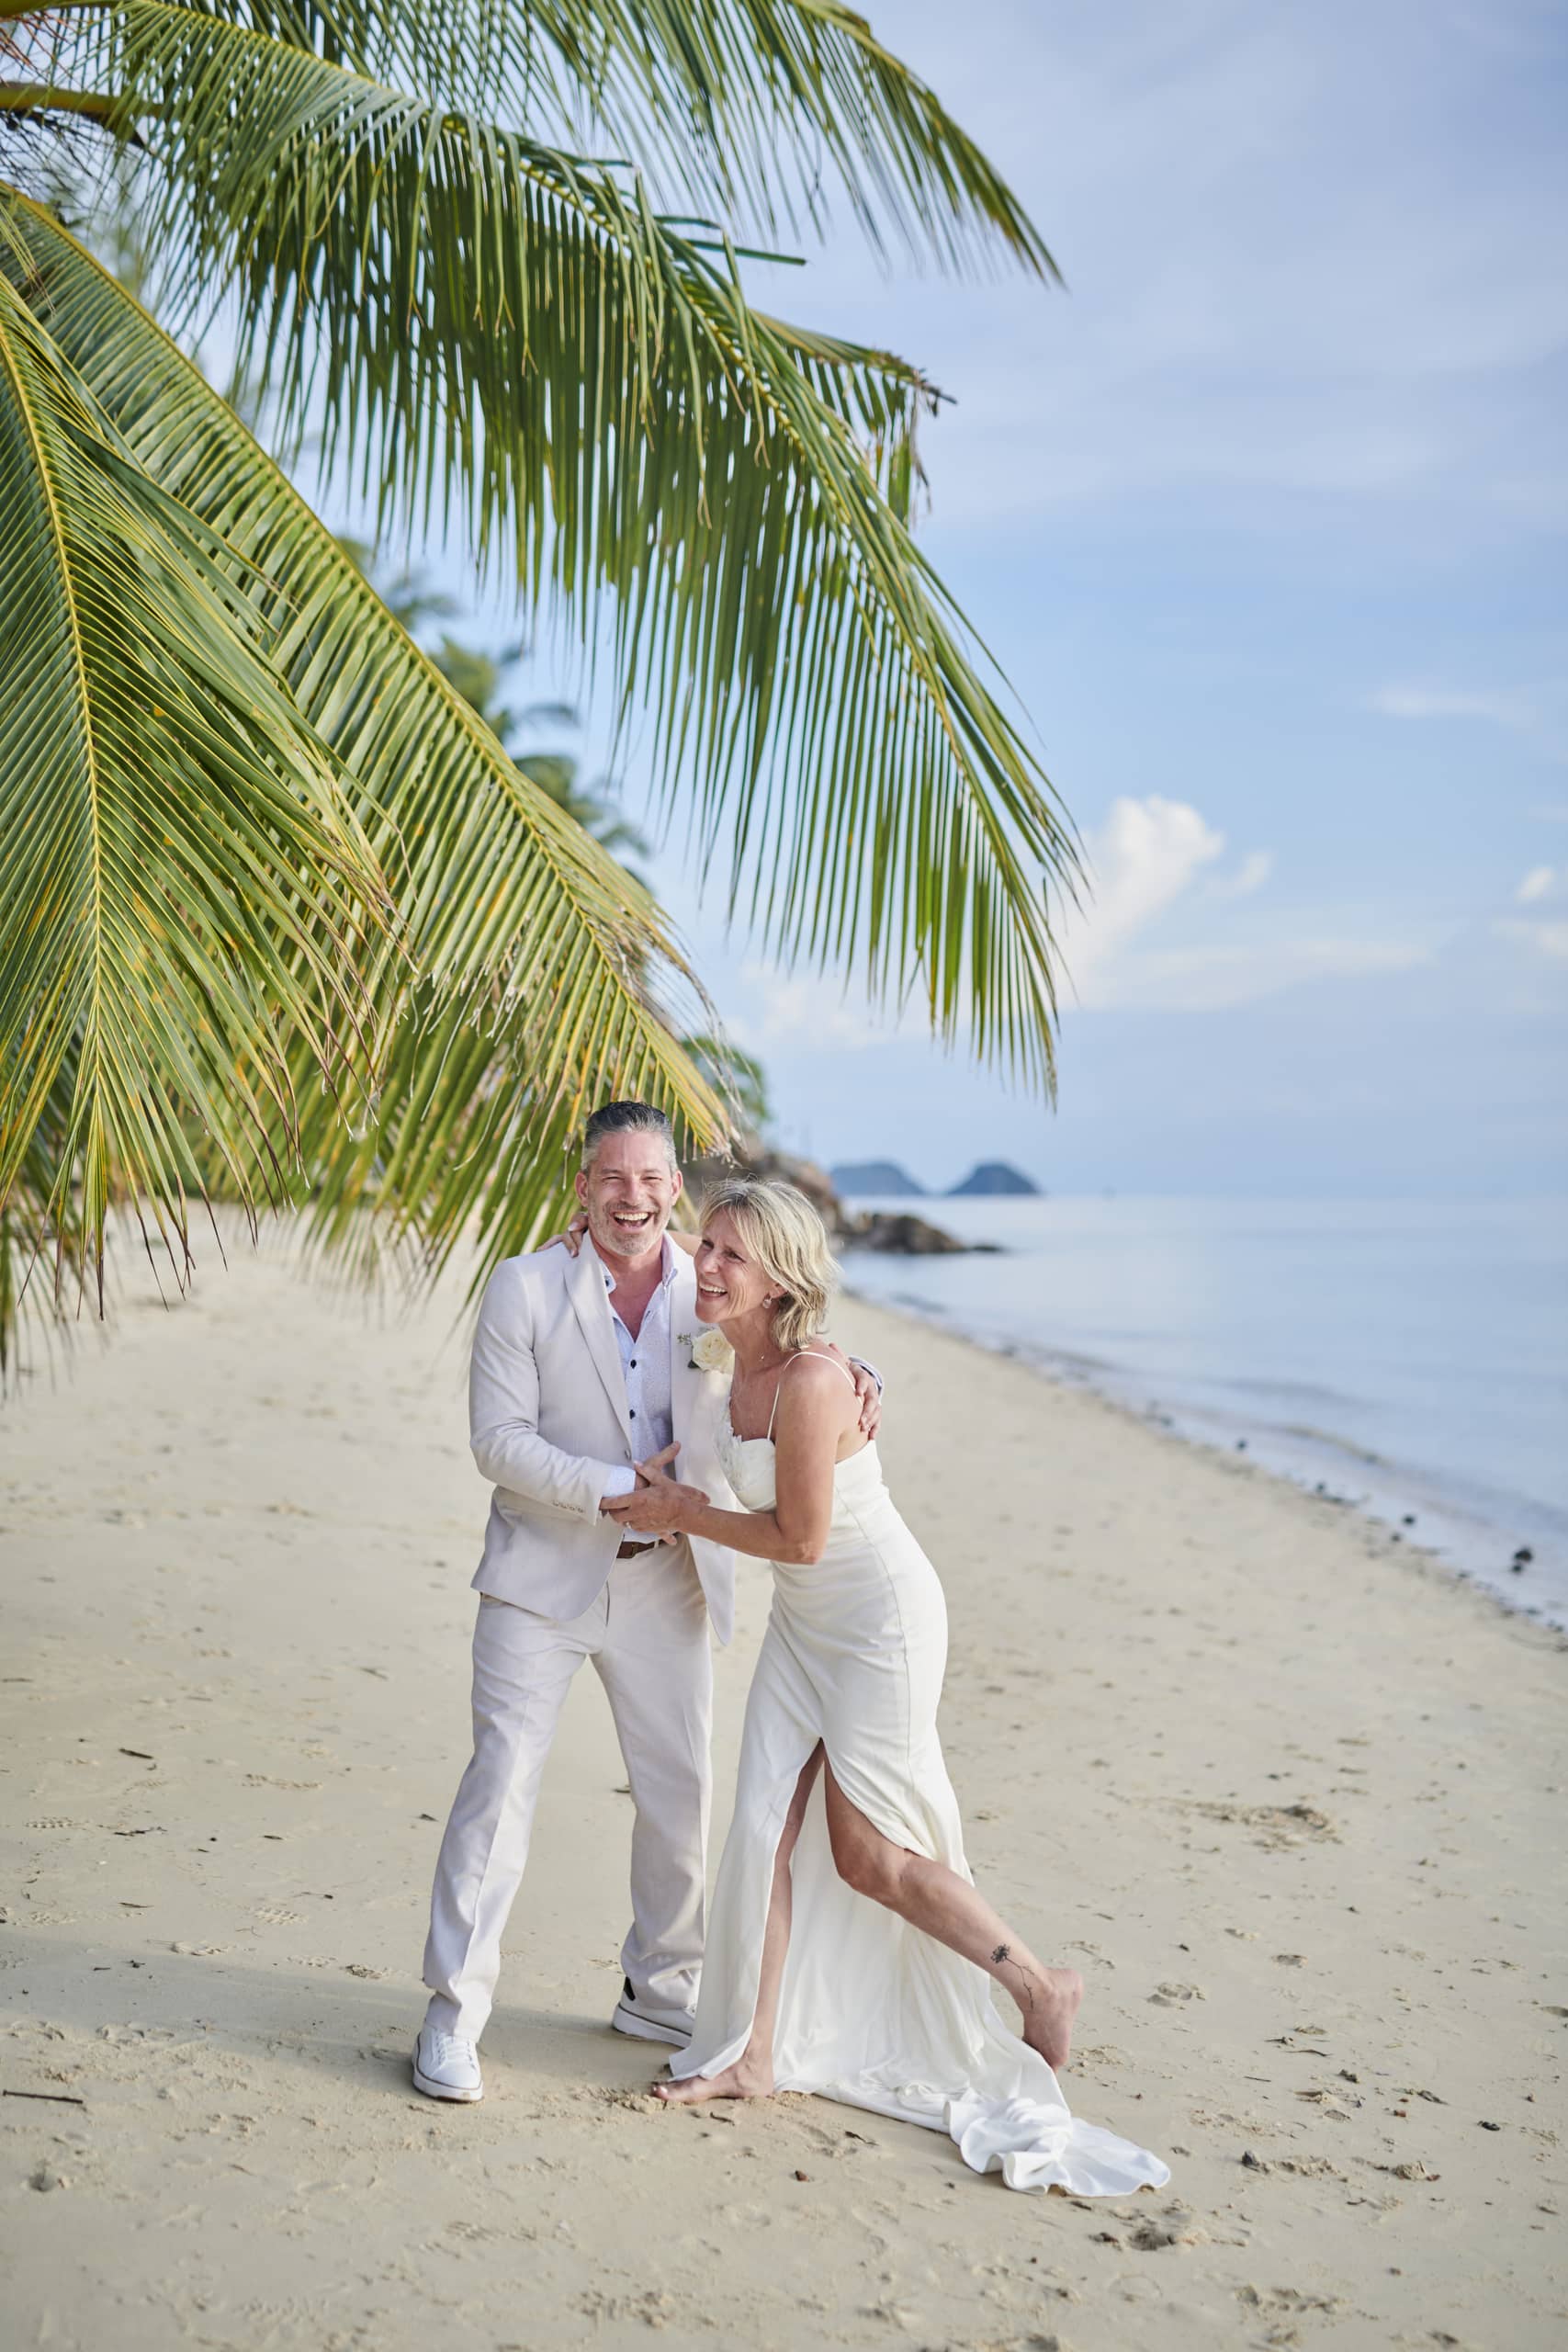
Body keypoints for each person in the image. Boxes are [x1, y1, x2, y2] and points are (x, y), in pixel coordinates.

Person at [603, 1177, 1169, 2195]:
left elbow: (802, 1539)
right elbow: (649, 1263)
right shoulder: (720, 1356)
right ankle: (755, 2054)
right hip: (803, 1626)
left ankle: (1040, 1984)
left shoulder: (819, 1382)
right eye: (710, 1247)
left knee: (868, 1857)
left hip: (877, 1623)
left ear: (780, 1281)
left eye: (733, 1254)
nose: (710, 1266)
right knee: (762, 1831)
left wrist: (684, 1510)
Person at [412, 1105, 880, 2104]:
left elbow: (782, 1347)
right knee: (499, 1791)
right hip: (538, 1578)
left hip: (669, 1580)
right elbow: (496, 1440)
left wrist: (851, 1371)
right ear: (581, 1187)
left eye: (651, 1179)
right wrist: (613, 1483)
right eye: (611, 1178)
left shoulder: (708, 1288)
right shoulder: (524, 1286)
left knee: (678, 1800)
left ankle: (660, 1988)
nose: (632, 1197)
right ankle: (453, 2013)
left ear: (676, 1189)